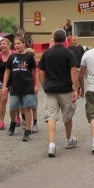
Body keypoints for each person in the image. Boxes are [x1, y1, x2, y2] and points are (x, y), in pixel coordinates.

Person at [38, 29, 79, 157]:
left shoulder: (46, 53)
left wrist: (45, 86)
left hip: (50, 88)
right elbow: (73, 71)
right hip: (65, 88)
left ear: (54, 39)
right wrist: (76, 89)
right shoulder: (69, 53)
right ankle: (68, 140)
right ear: (65, 39)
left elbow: (41, 73)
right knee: (67, 115)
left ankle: (51, 144)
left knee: (51, 116)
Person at [4, 36, 37, 141]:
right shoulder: (12, 57)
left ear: (24, 44)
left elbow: (35, 71)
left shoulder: (29, 57)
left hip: (27, 86)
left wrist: (36, 85)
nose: (17, 45)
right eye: (15, 44)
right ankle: (13, 122)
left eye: (19, 43)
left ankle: (28, 130)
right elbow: (7, 71)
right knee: (12, 108)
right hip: (15, 86)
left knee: (27, 108)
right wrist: (4, 86)